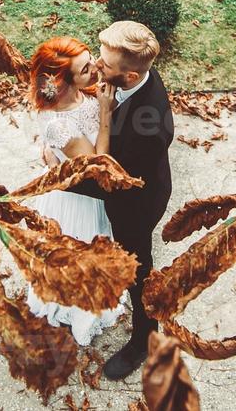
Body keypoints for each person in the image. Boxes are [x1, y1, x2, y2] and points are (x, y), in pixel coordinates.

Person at [67, 21, 174, 381]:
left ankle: (145, 337)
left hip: (137, 205)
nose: (98, 67)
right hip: (136, 175)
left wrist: (62, 181)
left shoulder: (148, 129)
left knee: (138, 270)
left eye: (105, 66)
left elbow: (115, 184)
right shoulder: (135, 76)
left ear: (128, 77)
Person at [25, 36, 126, 346]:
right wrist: (106, 113)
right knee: (83, 253)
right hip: (80, 199)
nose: (95, 67)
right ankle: (81, 308)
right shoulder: (59, 125)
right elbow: (97, 164)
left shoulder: (83, 93)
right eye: (85, 69)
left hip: (80, 181)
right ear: (63, 82)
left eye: (91, 59)